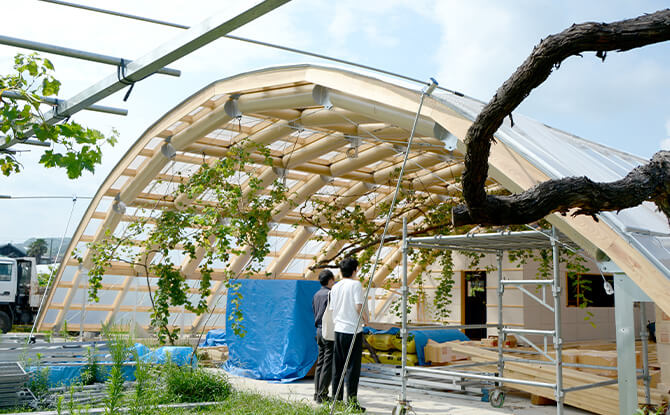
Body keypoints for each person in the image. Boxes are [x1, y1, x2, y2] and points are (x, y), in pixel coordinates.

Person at [330, 256, 368, 411]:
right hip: (353, 330)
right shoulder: (355, 285)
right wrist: (366, 319)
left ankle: (336, 400)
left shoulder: (335, 287)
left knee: (338, 366)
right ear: (355, 270)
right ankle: (352, 402)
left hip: (338, 329)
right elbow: (359, 306)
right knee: (353, 368)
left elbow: (332, 308)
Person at [312, 269, 335, 403]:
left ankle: (317, 393)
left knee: (320, 362)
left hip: (318, 331)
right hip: (328, 330)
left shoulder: (316, 294)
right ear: (330, 280)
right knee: (328, 363)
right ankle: (323, 395)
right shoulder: (330, 294)